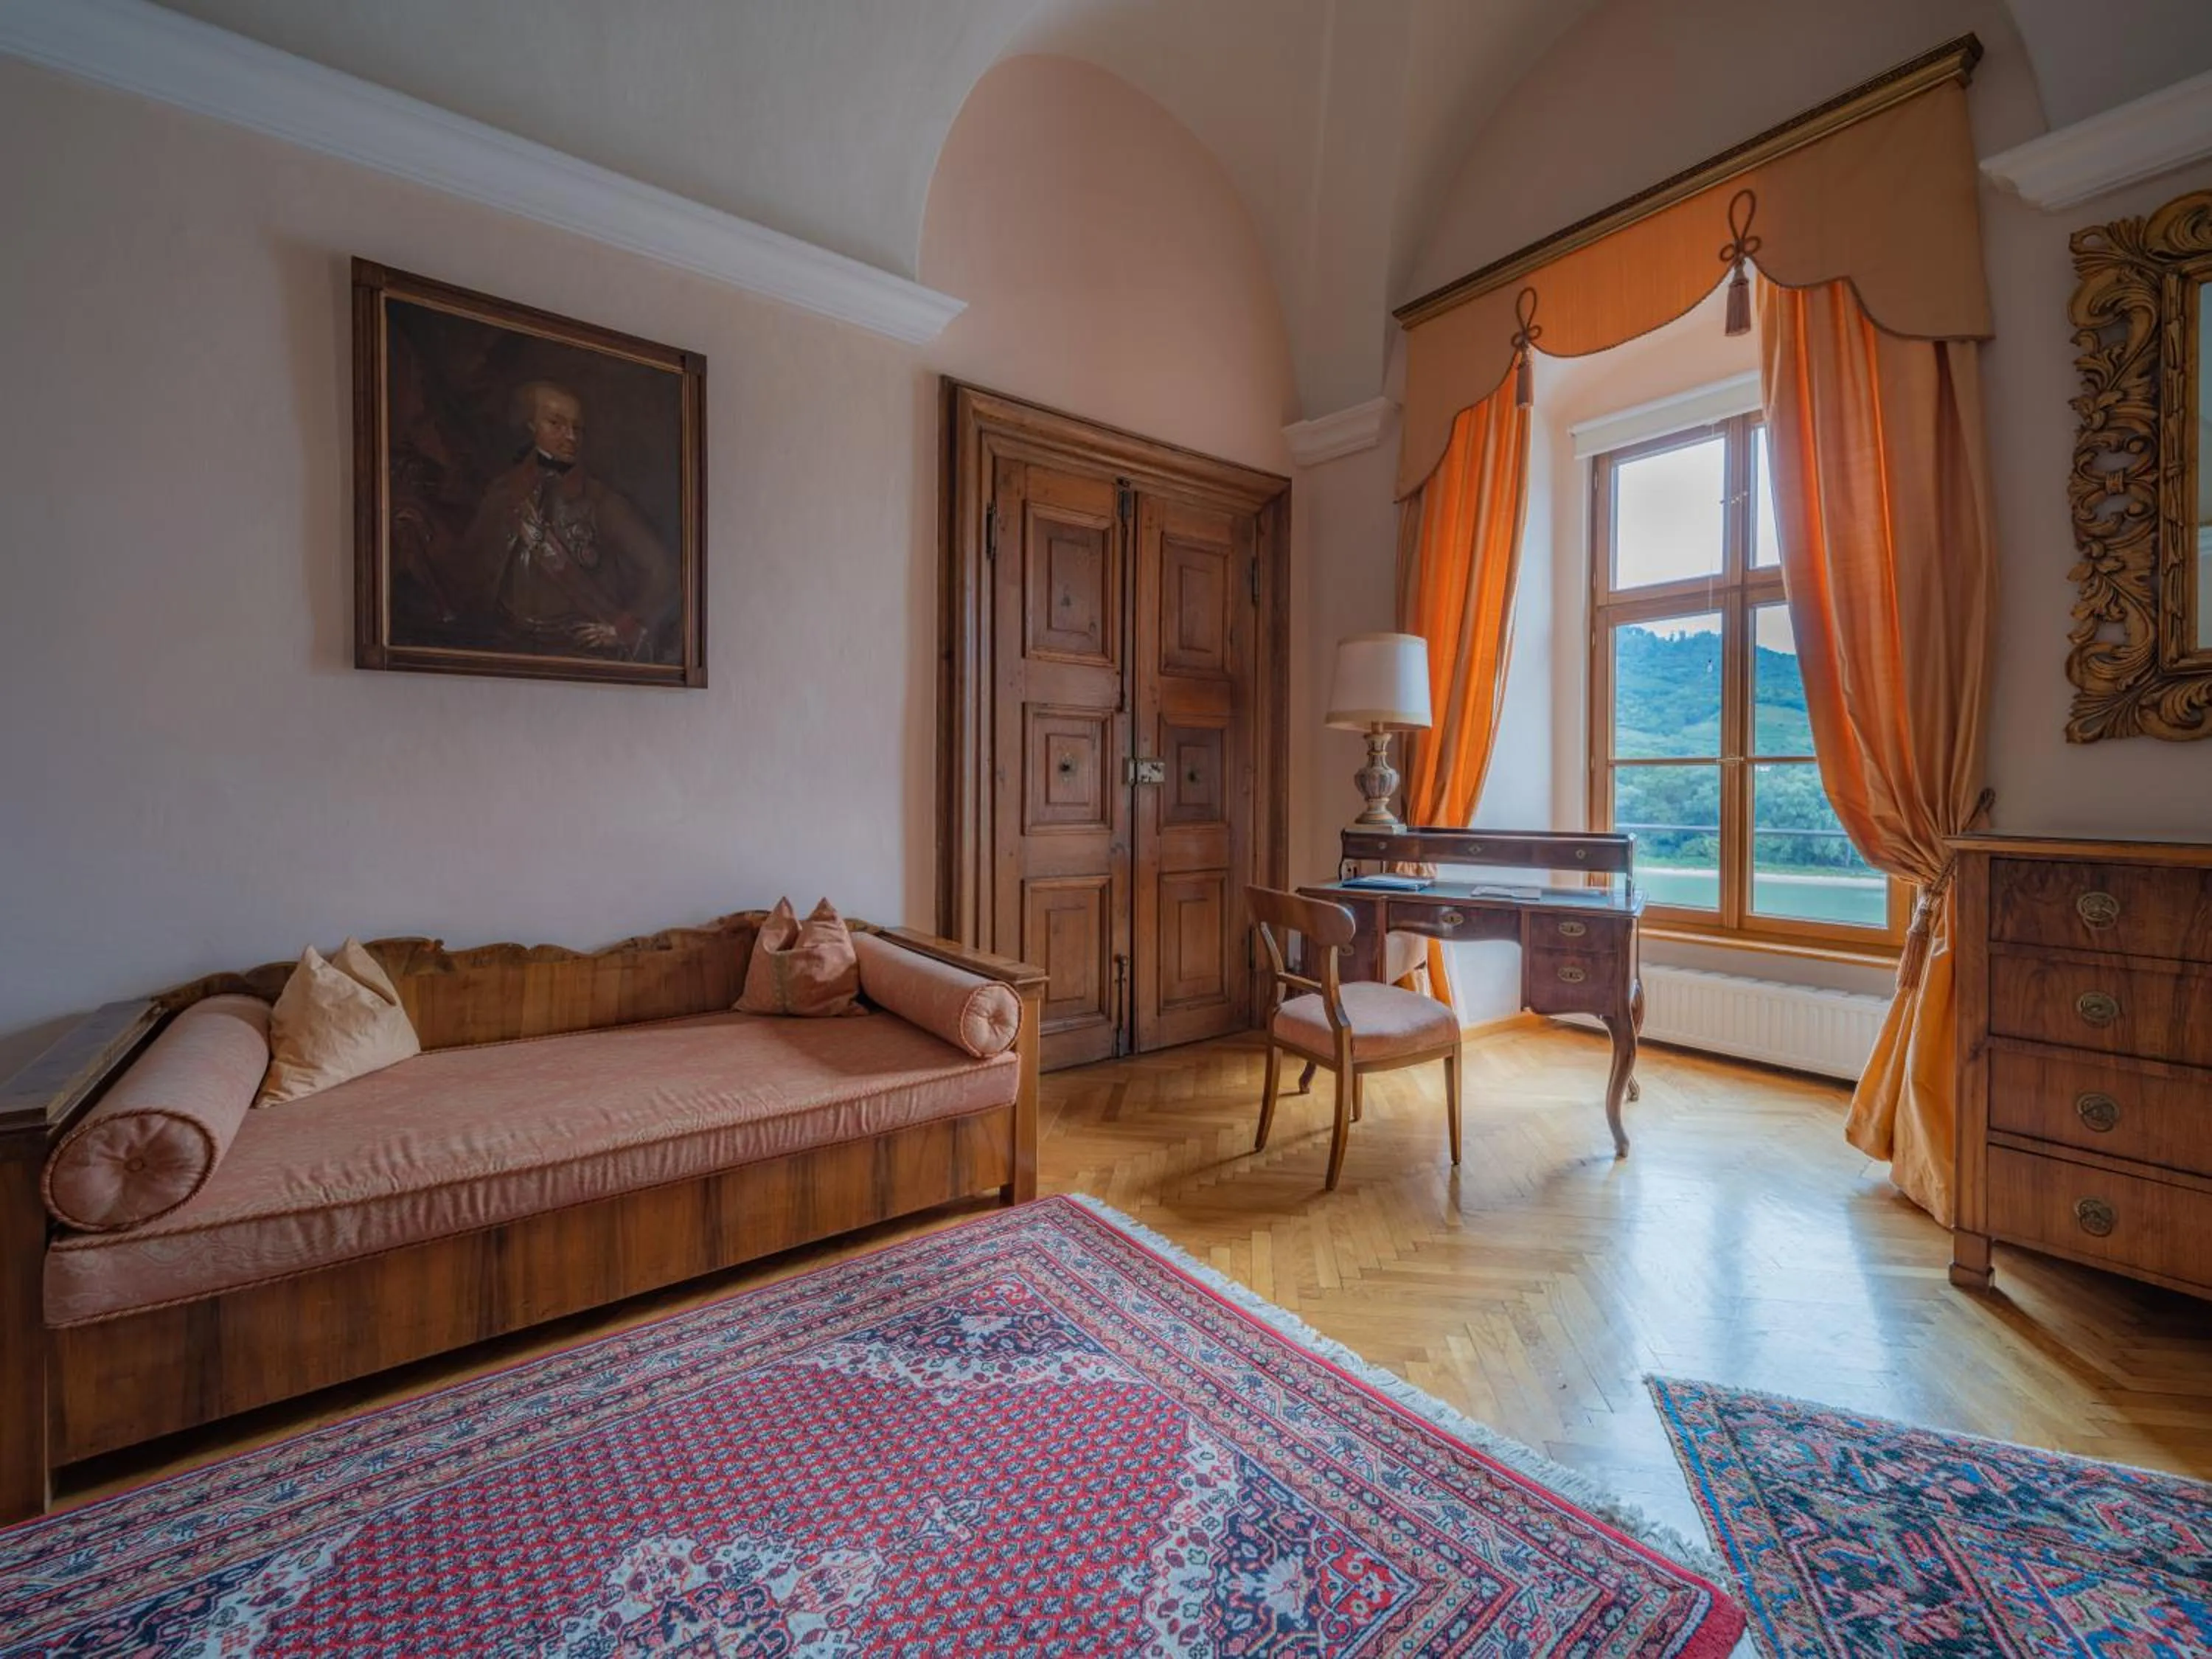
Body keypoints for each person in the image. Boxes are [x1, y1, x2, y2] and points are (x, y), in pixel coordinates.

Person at [456, 380, 678, 661]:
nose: (571, 436)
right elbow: (468, 566)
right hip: (504, 646)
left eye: (577, 428)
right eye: (556, 424)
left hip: (575, 652)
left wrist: (625, 628)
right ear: (531, 426)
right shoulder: (503, 493)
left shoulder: (602, 502)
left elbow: (664, 571)